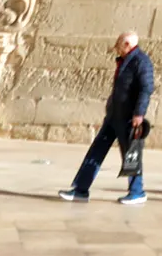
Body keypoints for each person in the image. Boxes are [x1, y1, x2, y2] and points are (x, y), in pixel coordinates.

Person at [59, 30, 153, 205]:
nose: (116, 48)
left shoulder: (142, 62)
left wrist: (139, 114)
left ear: (127, 44)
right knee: (96, 151)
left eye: (118, 44)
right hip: (113, 116)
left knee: (130, 155)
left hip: (128, 118)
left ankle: (137, 191)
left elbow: (146, 89)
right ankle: (80, 189)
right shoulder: (125, 61)